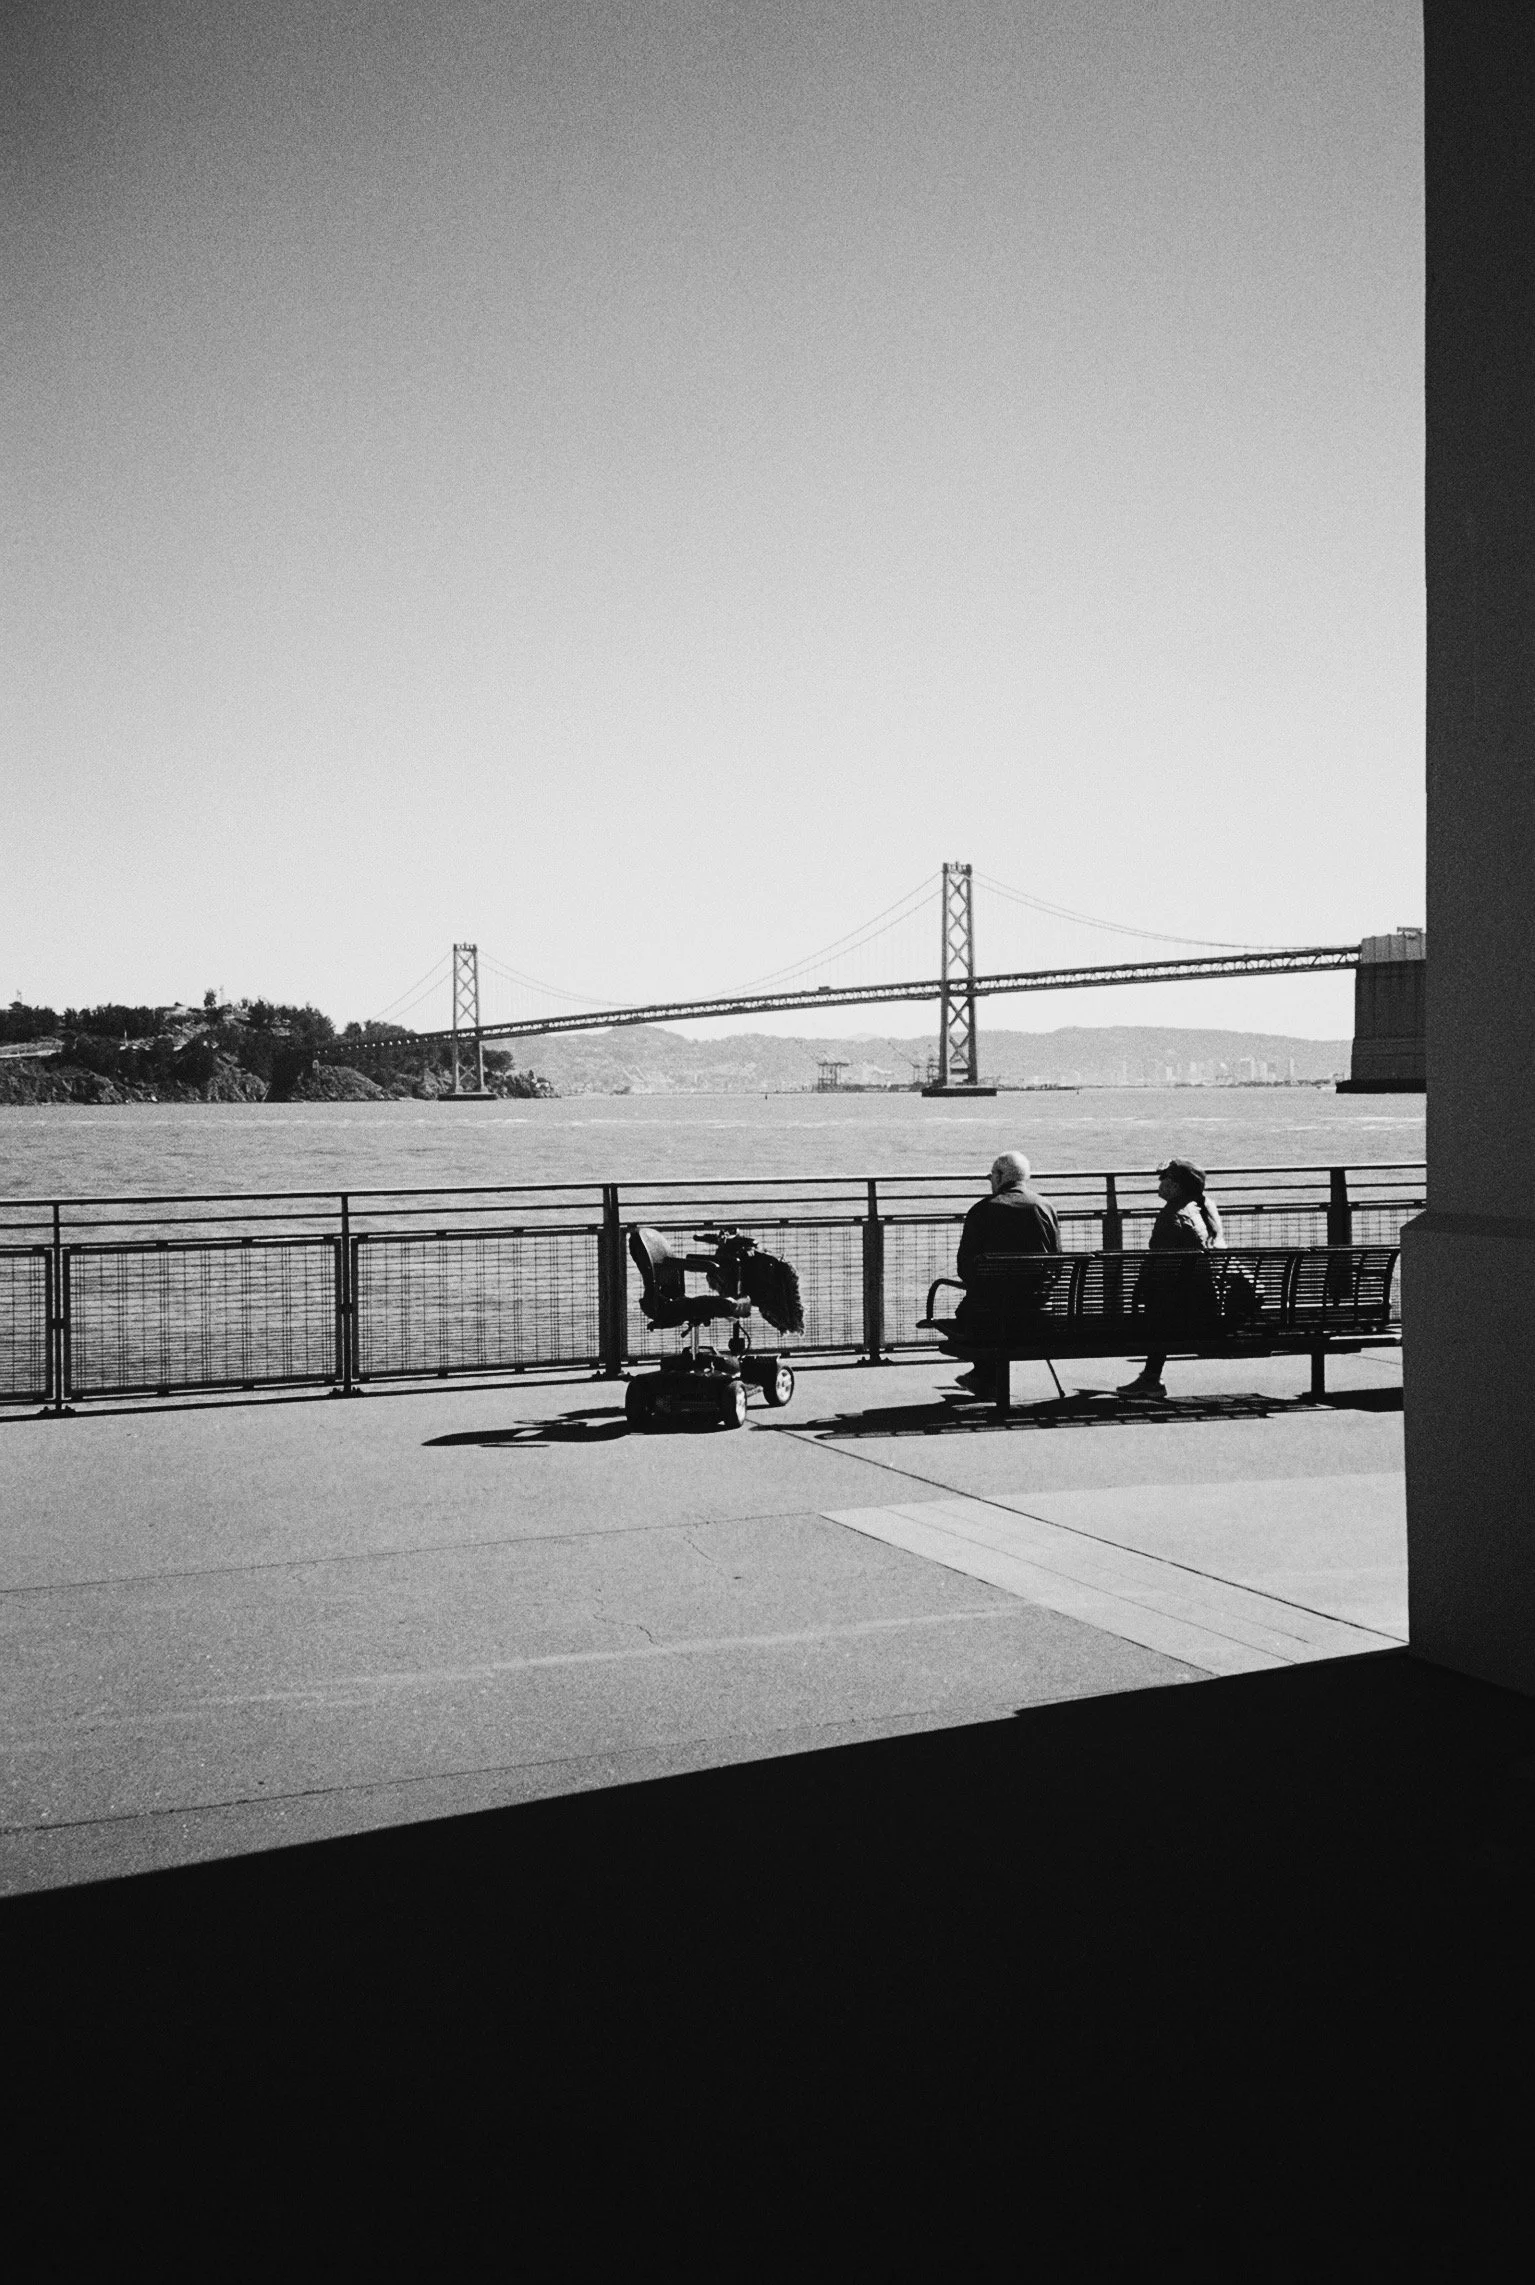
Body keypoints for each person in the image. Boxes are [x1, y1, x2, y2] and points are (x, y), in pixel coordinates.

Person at [952, 1152, 1062, 1394]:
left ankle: (986, 1375)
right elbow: (1057, 1264)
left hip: (988, 1313)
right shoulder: (1045, 1207)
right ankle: (985, 1376)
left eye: (991, 1176)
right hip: (1036, 1310)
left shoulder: (982, 1210)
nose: (990, 1181)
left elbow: (964, 1268)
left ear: (1000, 1177)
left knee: (968, 1311)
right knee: (989, 1310)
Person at [1120, 1157, 1224, 1399]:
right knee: (1163, 1304)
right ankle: (1150, 1377)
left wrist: (1139, 1291)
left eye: (1163, 1178)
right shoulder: (1202, 1208)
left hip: (1186, 1314)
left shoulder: (1172, 1217)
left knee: (1158, 1307)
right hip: (1204, 1304)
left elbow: (1160, 1270)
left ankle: (1151, 1378)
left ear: (1176, 1186)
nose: (1159, 1182)